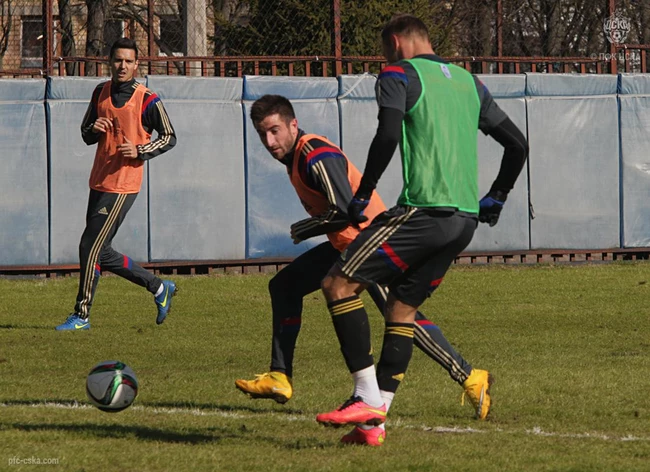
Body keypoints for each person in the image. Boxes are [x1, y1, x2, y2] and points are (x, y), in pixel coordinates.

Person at [315, 14, 529, 445]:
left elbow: (388, 134)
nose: (384, 60)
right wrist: (497, 196)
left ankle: (364, 396)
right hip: (463, 221)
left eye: (384, 51)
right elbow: (518, 144)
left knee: (338, 284)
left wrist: (364, 192)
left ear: (395, 42)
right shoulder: (469, 83)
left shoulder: (398, 74)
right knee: (401, 310)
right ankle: (373, 427)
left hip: (423, 213)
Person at [235, 94, 490, 430]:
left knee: (400, 315)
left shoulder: (315, 154)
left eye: (275, 131)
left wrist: (308, 227)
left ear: (293, 125)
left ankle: (470, 376)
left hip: (371, 245)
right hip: (346, 245)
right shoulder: (295, 157)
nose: (269, 141)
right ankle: (280, 375)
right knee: (284, 286)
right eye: (262, 134)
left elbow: (346, 211)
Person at [55, 38, 178, 331]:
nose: (123, 66)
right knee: (101, 250)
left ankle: (82, 315)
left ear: (136, 65)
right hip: (99, 179)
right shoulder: (100, 92)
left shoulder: (147, 99)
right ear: (109, 62)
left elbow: (169, 136)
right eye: (118, 60)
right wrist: (94, 128)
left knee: (89, 245)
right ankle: (159, 287)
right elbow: (86, 133)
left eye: (128, 61)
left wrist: (140, 150)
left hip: (124, 184)